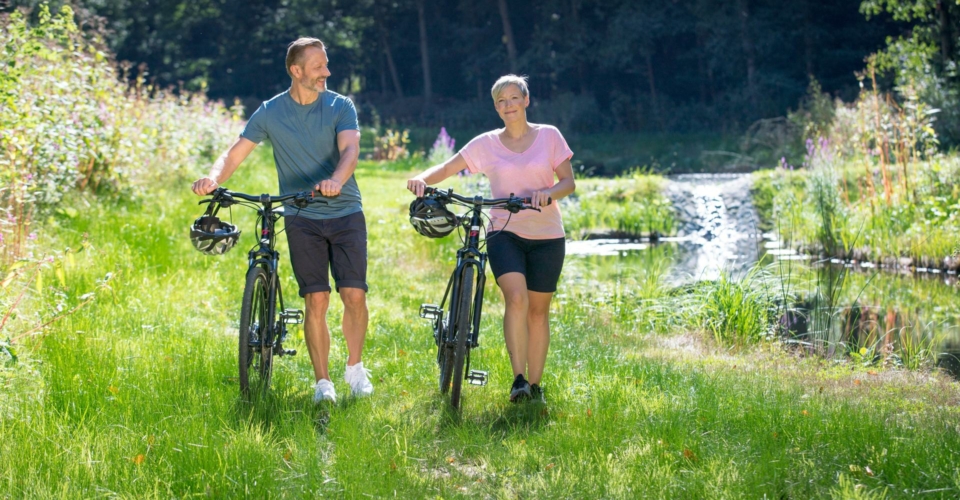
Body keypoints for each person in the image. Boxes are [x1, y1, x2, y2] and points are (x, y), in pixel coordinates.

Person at [192, 37, 372, 404]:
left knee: (353, 294)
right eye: (319, 66)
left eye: (326, 65)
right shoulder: (271, 112)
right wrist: (213, 178)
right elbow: (234, 152)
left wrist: (336, 180)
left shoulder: (340, 105)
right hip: (300, 215)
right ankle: (323, 383)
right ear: (296, 71)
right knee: (316, 300)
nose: (327, 72)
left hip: (345, 211)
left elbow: (350, 149)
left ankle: (354, 368)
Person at [407, 75, 576, 403]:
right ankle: (519, 381)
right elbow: (449, 166)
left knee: (539, 312)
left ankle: (537, 387)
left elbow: (568, 182)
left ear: (526, 101)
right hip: (504, 230)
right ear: (496, 107)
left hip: (548, 235)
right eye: (501, 101)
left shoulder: (550, 136)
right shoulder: (486, 144)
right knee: (516, 299)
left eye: (514, 98)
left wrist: (548, 193)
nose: (508, 105)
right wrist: (421, 178)